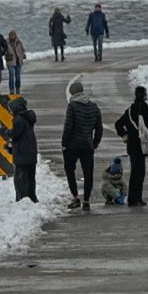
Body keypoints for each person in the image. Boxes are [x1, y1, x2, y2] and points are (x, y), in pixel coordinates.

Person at [62, 79, 103, 210]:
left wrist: (64, 143)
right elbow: (99, 128)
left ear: (72, 93)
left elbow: (68, 127)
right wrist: (94, 142)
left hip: (72, 146)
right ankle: (86, 200)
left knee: (69, 170)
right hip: (87, 145)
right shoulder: (93, 106)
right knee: (88, 173)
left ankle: (75, 197)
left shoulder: (72, 106)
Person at [114, 85, 148, 206]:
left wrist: (124, 134)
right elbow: (146, 126)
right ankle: (137, 198)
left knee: (134, 172)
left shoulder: (130, 110)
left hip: (131, 145)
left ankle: (132, 199)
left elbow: (118, 124)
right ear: (144, 95)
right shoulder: (144, 107)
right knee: (140, 172)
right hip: (141, 144)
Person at [9, 97, 39, 203]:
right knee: (30, 177)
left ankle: (23, 199)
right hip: (30, 152)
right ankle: (32, 197)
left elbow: (15, 134)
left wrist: (5, 132)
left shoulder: (19, 119)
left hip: (22, 154)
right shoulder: (27, 118)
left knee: (21, 179)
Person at [4, 30, 26, 94]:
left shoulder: (19, 42)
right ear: (9, 36)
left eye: (13, 35)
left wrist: (23, 55)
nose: (12, 36)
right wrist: (6, 54)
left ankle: (18, 88)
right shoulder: (6, 42)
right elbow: (2, 50)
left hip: (18, 61)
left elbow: (23, 50)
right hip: (10, 61)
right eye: (11, 35)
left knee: (18, 76)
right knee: (11, 75)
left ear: (15, 36)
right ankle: (11, 90)